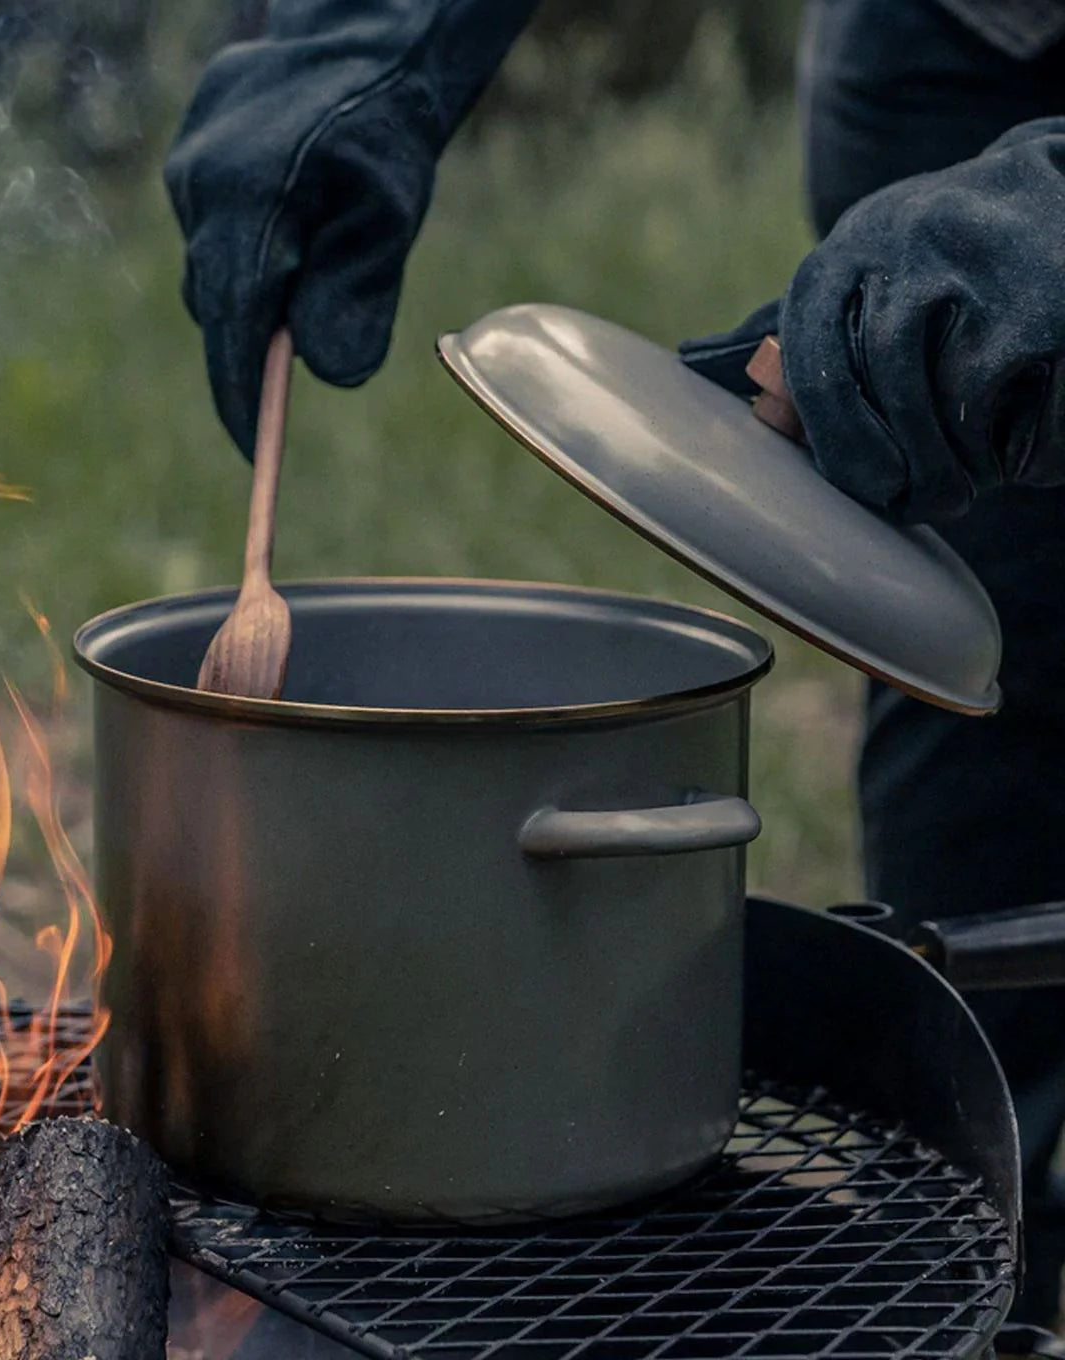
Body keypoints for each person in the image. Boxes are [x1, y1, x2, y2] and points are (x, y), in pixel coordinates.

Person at [164, 0, 1065, 1326]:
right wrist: (360, 46)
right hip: (968, 29)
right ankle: (993, 1278)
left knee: (993, 347)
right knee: (979, 599)